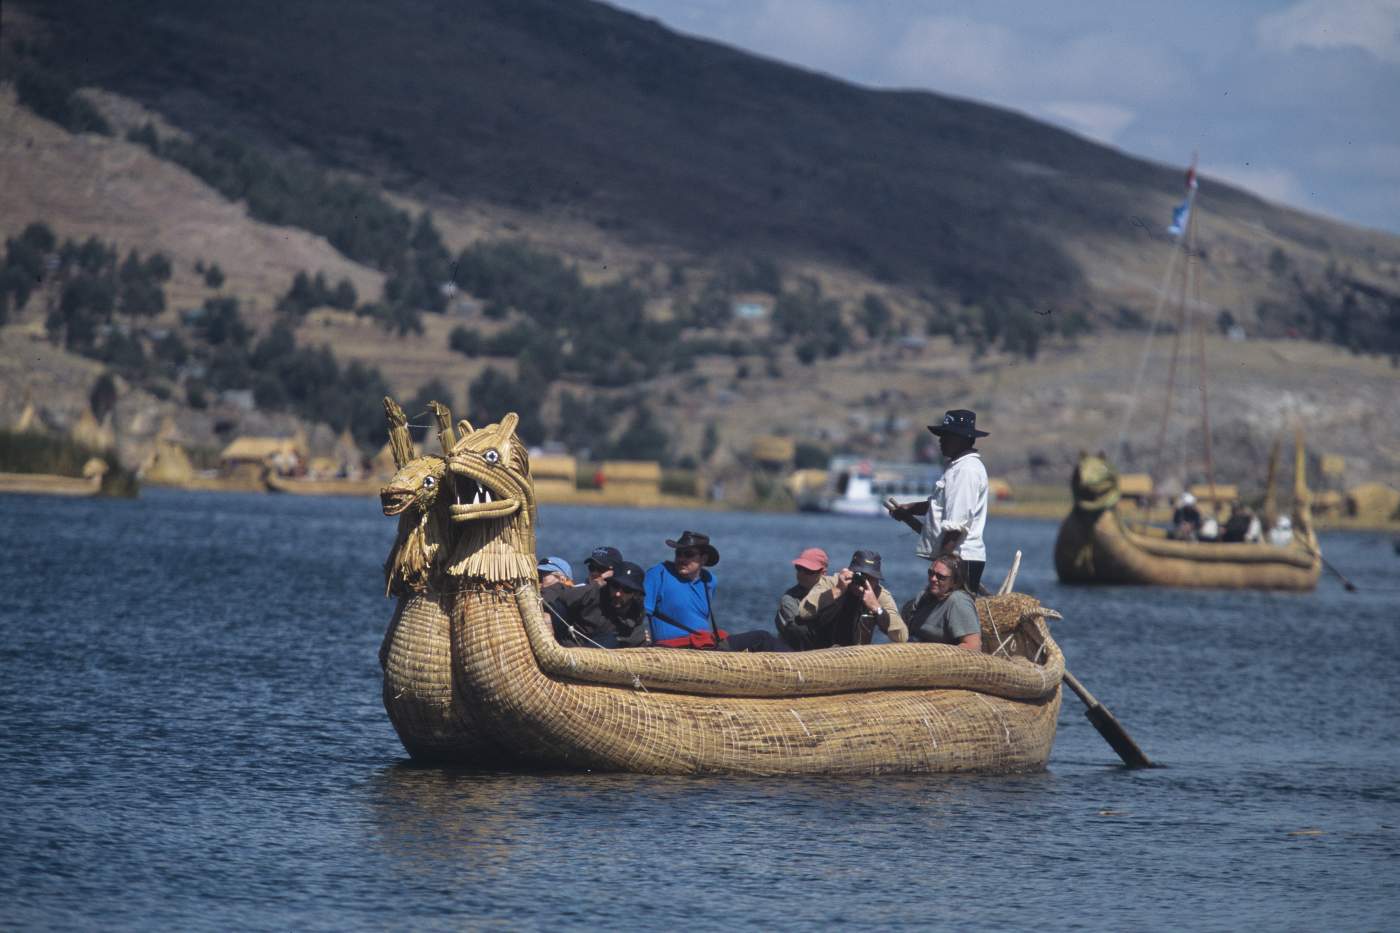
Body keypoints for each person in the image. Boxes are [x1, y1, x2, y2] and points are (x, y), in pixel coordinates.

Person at [887, 409, 990, 592]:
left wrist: (942, 566)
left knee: (952, 614)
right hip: (953, 558)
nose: (941, 441)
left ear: (963, 439)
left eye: (947, 436)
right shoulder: (956, 467)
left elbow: (956, 526)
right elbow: (939, 505)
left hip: (959, 559)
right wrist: (909, 509)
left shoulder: (965, 471)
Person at [644, 530, 786, 651]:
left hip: (705, 645)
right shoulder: (658, 574)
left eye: (688, 554)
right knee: (761, 637)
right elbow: (640, 611)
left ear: (703, 559)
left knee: (763, 639)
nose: (681, 558)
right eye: (678, 553)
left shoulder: (709, 580)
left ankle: (797, 665)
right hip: (675, 648)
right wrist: (643, 636)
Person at [793, 549, 908, 649]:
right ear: (850, 572)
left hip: (856, 656)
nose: (863, 582)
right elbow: (803, 612)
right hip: (821, 651)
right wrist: (837, 590)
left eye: (870, 578)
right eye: (860, 576)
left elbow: (901, 636)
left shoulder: (878, 594)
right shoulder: (832, 583)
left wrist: (877, 608)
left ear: (877, 580)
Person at [551, 561, 651, 648]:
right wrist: (597, 583)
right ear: (609, 584)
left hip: (602, 652)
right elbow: (554, 595)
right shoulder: (593, 592)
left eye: (627, 590)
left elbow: (634, 637)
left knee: (636, 637)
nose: (618, 593)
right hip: (570, 645)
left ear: (635, 593)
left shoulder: (636, 611)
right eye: (615, 586)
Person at [901, 554, 982, 651]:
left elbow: (973, 646)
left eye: (940, 577)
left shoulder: (958, 602)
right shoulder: (923, 597)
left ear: (955, 582)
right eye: (931, 573)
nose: (933, 579)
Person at [774, 547, 828, 650]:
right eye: (799, 568)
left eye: (808, 571)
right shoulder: (789, 599)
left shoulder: (834, 592)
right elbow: (799, 633)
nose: (801, 574)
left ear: (823, 573)